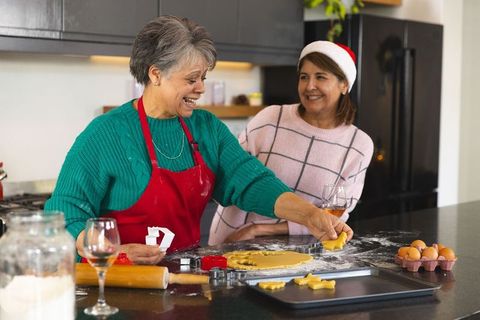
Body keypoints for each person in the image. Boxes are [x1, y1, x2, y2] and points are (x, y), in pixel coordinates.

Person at [45, 16, 353, 265]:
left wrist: (311, 215)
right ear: (155, 75)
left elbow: (251, 181)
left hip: (188, 280)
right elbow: (64, 214)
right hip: (119, 283)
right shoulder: (106, 134)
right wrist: (112, 251)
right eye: (191, 79)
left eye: (204, 77)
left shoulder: (207, 129)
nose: (201, 88)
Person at [209, 41, 373, 245]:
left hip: (295, 252)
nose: (309, 86)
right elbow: (231, 176)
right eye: (304, 77)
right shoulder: (270, 118)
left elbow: (336, 215)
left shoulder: (358, 145)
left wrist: (259, 230)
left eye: (320, 77)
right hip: (232, 240)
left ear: (344, 85)